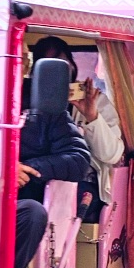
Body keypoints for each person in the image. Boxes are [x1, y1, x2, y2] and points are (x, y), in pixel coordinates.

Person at [15, 49, 91, 268]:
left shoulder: (43, 104)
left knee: (31, 213)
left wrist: (30, 167)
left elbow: (78, 160)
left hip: (11, 204)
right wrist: (4, 168)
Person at [31, 36, 123, 223]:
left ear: (72, 66)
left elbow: (111, 155)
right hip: (39, 178)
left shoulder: (97, 101)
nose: (58, 73)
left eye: (63, 65)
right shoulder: (28, 102)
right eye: (49, 68)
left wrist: (92, 116)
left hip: (83, 183)